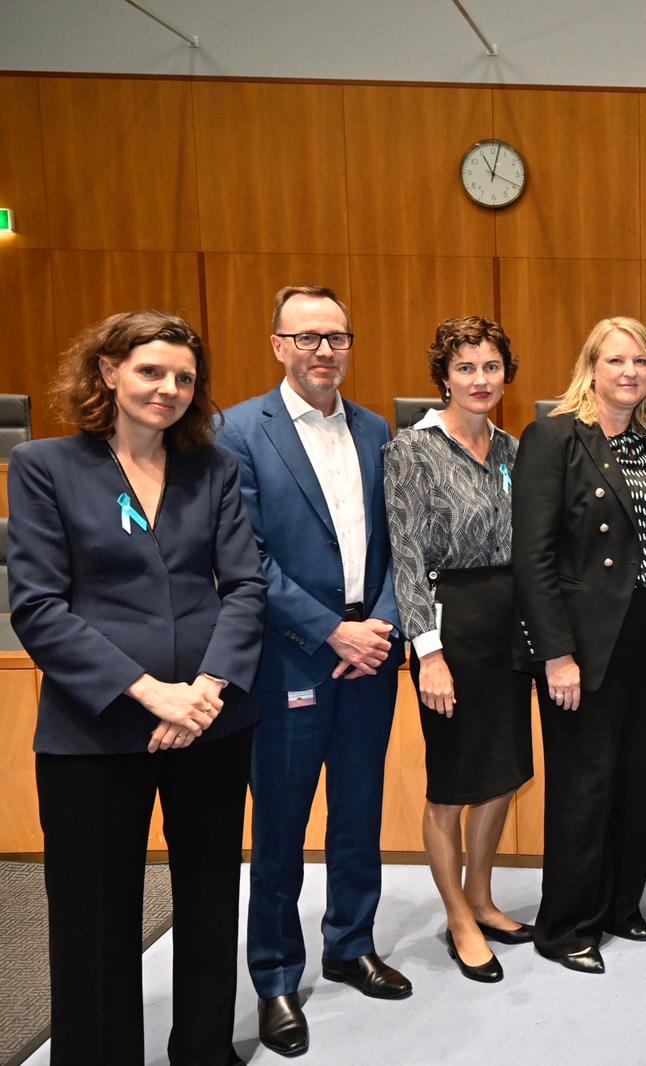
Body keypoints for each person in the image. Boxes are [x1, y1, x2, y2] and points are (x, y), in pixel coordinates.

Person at [8, 310, 265, 1066]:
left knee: (210, 900)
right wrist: (153, 693)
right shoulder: (45, 466)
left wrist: (206, 690)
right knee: (94, 917)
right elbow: (38, 607)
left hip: (211, 723)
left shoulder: (213, 469)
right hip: (96, 729)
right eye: (151, 371)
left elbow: (245, 586)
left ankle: (204, 1052)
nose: (168, 388)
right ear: (108, 371)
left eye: (184, 377)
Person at [218, 286, 410, 1057]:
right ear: (277, 345)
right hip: (292, 658)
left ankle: (350, 944)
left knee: (359, 813)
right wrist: (333, 631)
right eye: (307, 337)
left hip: (371, 658)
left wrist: (380, 628)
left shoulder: (375, 429)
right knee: (282, 828)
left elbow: (399, 540)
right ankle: (274, 977)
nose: (324, 350)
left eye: (336, 336)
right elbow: (246, 557)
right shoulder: (238, 431)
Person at [512, 316, 646, 975]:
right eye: (616, 360)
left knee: (636, 779)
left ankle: (617, 905)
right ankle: (565, 925)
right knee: (584, 784)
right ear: (591, 367)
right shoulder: (555, 437)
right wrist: (556, 654)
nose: (629, 372)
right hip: (583, 643)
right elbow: (532, 558)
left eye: (641, 362)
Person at [383, 316, 534, 983]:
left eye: (491, 367)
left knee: (503, 772)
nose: (480, 379)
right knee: (451, 782)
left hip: (509, 628)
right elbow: (407, 559)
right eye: (465, 367)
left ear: (506, 375)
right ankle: (458, 919)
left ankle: (481, 897)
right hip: (450, 629)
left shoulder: (512, 449)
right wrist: (429, 655)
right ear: (443, 376)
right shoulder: (411, 450)